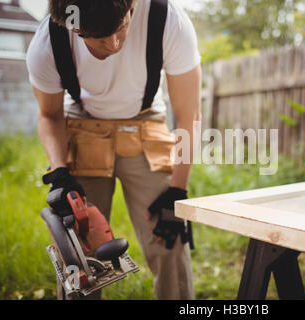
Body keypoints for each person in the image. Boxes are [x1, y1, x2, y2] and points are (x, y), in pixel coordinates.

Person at [26, 0, 201, 300]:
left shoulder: (167, 19)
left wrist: (178, 190)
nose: (113, 44)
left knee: (169, 234)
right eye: (98, 37)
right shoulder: (48, 43)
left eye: (120, 28)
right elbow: (49, 115)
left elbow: (189, 114)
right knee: (79, 248)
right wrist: (60, 172)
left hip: (145, 125)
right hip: (83, 125)